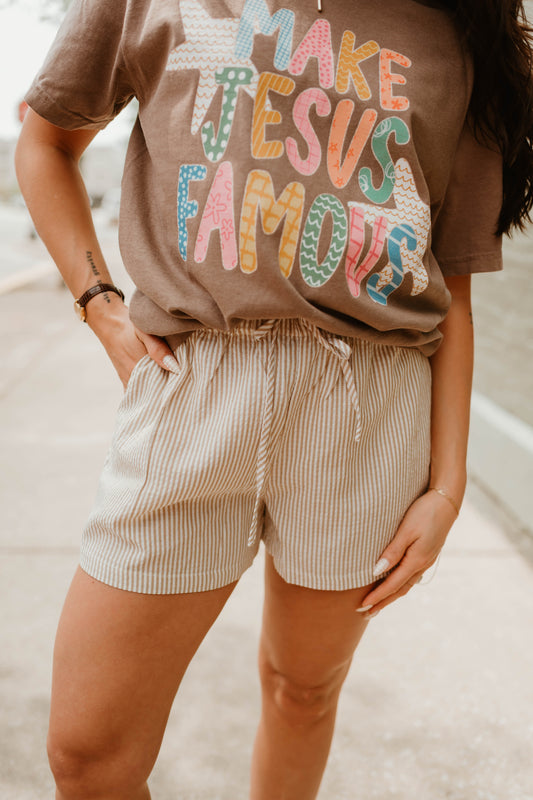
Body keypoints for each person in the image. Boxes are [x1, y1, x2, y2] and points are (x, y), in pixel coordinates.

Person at [15, 0, 533, 798]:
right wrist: (99, 304)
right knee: (86, 758)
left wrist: (446, 488)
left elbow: (452, 283)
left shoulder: (453, 35)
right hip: (194, 393)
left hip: (367, 408)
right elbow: (46, 140)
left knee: (303, 690)